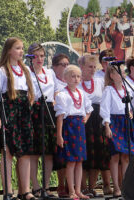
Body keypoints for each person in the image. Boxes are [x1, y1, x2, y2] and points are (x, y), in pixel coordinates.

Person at [0, 37, 36, 200]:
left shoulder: (26, 71)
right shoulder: (1, 70)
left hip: (24, 114)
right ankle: (8, 192)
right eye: (17, 48)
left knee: (25, 153)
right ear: (8, 50)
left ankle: (26, 191)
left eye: (22, 48)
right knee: (7, 152)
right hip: (8, 112)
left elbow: (31, 94)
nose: (21, 51)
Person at [55, 65, 93, 199]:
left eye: (78, 76)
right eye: (73, 76)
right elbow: (60, 117)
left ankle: (78, 190)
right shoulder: (62, 95)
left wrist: (85, 119)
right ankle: (70, 190)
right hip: (69, 127)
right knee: (71, 161)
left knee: (79, 161)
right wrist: (59, 135)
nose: (76, 79)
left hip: (79, 128)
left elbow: (89, 108)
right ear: (65, 78)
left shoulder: (82, 93)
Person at [100, 64, 134, 197]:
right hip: (114, 123)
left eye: (123, 72)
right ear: (112, 75)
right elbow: (105, 109)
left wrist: (131, 112)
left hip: (126, 122)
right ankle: (116, 187)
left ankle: (125, 185)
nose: (123, 75)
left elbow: (132, 104)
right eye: (119, 72)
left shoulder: (127, 89)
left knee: (126, 156)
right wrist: (107, 126)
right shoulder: (109, 90)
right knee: (115, 156)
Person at [27, 43, 57, 197]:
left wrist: (55, 103)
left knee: (49, 152)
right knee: (34, 152)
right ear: (30, 57)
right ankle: (35, 186)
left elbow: (56, 90)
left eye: (42, 56)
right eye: (36, 56)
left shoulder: (50, 72)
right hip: (34, 111)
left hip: (49, 110)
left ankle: (46, 187)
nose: (39, 59)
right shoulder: (27, 73)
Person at [78, 55, 109, 197]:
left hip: (98, 118)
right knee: (84, 153)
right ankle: (82, 187)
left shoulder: (100, 82)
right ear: (82, 67)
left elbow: (105, 102)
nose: (92, 69)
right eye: (89, 66)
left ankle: (92, 187)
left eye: (94, 67)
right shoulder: (76, 82)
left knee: (98, 152)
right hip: (82, 118)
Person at [51, 53, 70, 197]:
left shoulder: (73, 80)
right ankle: (61, 185)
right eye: (63, 64)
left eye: (67, 64)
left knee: (72, 153)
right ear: (54, 67)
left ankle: (73, 185)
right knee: (60, 153)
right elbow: (55, 99)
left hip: (73, 120)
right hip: (59, 118)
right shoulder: (53, 81)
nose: (66, 67)